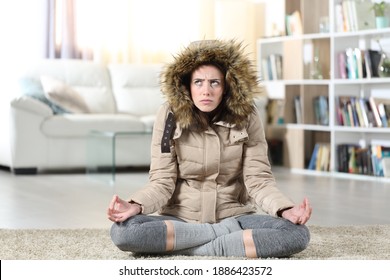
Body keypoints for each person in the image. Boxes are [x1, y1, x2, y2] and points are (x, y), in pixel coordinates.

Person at [107, 39, 312, 258]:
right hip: (181, 218)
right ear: (187, 85)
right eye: (198, 82)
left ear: (226, 87)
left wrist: (284, 208)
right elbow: (162, 180)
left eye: (214, 82)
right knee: (123, 233)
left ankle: (188, 245)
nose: (206, 90)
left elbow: (258, 179)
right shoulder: (169, 115)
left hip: (234, 217)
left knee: (296, 234)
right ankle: (224, 241)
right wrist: (136, 205)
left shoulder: (248, 116)